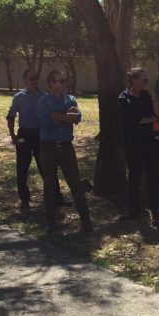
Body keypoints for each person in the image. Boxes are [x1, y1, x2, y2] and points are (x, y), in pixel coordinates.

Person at [38, 70, 93, 233]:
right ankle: (51, 224)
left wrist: (58, 115)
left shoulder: (71, 99)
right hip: (48, 148)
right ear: (50, 84)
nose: (62, 84)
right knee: (49, 186)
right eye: (58, 81)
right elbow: (45, 122)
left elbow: (76, 118)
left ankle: (86, 222)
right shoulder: (44, 101)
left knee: (75, 184)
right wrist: (65, 116)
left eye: (63, 81)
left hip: (67, 148)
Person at [7, 68, 68, 209]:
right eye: (31, 79)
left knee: (47, 167)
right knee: (22, 168)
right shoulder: (19, 97)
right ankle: (24, 199)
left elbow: (53, 114)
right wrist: (13, 136)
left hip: (41, 134)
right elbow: (11, 117)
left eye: (36, 78)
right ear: (25, 81)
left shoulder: (45, 96)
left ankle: (56, 197)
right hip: (25, 134)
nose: (34, 81)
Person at [118, 67, 159, 226]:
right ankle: (133, 211)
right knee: (134, 176)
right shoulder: (124, 98)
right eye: (143, 80)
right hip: (133, 143)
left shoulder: (147, 95)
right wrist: (150, 120)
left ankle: (156, 211)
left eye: (147, 80)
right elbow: (132, 121)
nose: (146, 82)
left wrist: (153, 96)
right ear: (133, 81)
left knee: (153, 176)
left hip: (151, 141)